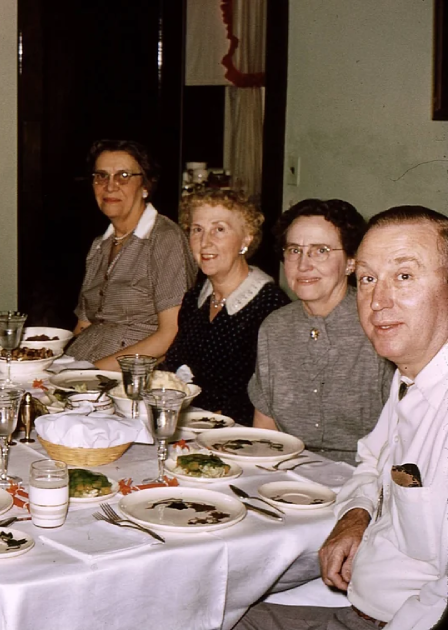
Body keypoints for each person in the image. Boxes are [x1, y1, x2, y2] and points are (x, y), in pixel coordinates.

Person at [235, 206, 448, 630]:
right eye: (369, 278)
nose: (378, 299)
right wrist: (358, 514)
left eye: (404, 276)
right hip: (357, 590)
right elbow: (373, 459)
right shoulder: (411, 375)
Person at [249, 199, 394, 463]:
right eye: (294, 250)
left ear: (352, 262)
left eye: (321, 250)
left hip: (363, 478)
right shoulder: (275, 327)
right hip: (286, 475)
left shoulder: (378, 325)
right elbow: (264, 428)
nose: (303, 264)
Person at [162, 190, 289, 424]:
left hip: (236, 435)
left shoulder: (270, 306)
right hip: (189, 427)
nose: (205, 242)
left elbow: (267, 399)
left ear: (246, 238)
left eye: (219, 229)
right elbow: (174, 369)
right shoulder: (194, 299)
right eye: (197, 229)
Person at [67, 139, 197, 369]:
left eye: (123, 176)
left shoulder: (165, 239)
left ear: (145, 186)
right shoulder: (100, 245)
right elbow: (84, 326)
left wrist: (90, 372)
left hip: (129, 377)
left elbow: (171, 334)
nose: (110, 186)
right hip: (80, 366)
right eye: (101, 176)